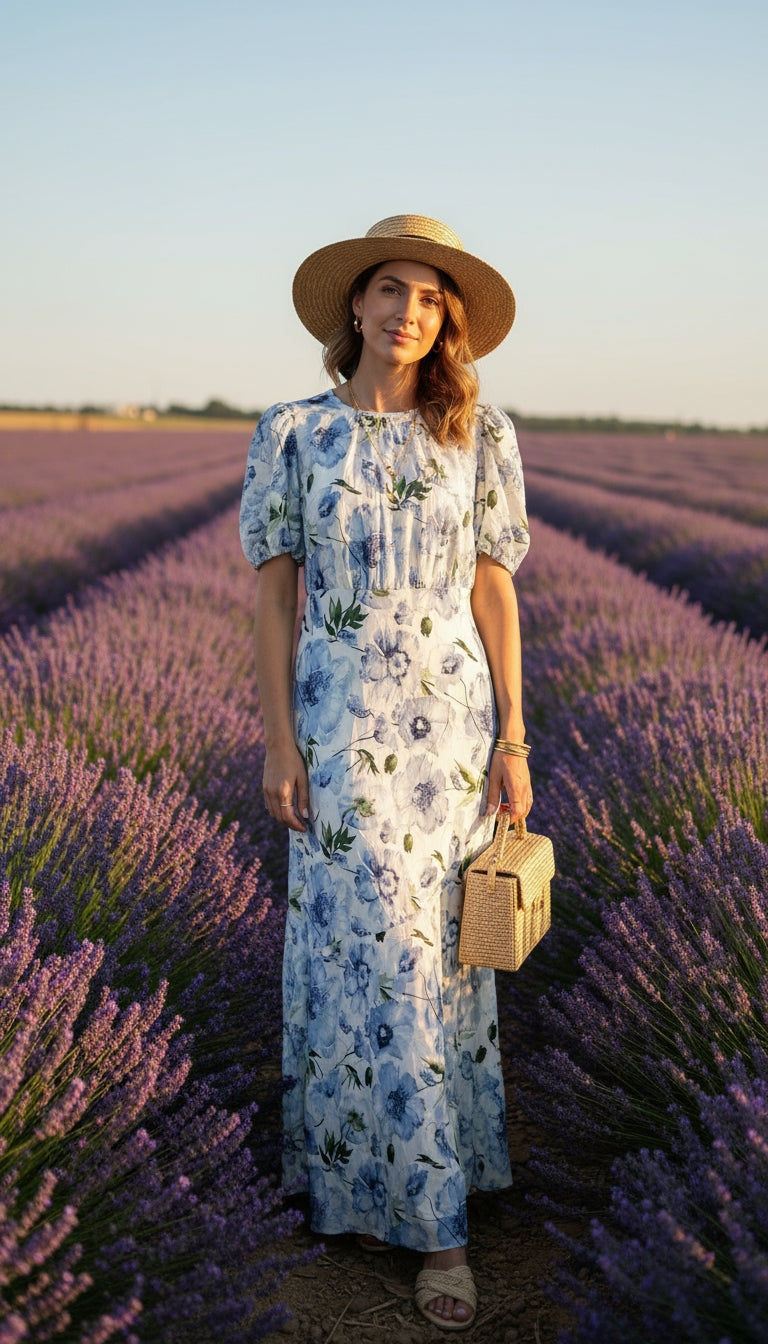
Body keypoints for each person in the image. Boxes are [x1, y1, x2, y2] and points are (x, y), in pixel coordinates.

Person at [240, 214, 531, 1332]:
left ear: (445, 321)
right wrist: (278, 739)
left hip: (450, 730)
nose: (410, 311)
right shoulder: (294, 433)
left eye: (431, 297)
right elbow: (275, 599)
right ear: (355, 305)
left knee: (430, 955)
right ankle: (375, 1188)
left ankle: (436, 1222)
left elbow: (495, 589)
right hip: (338, 722)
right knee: (358, 947)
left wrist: (513, 738)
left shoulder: (479, 434)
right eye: (392, 290)